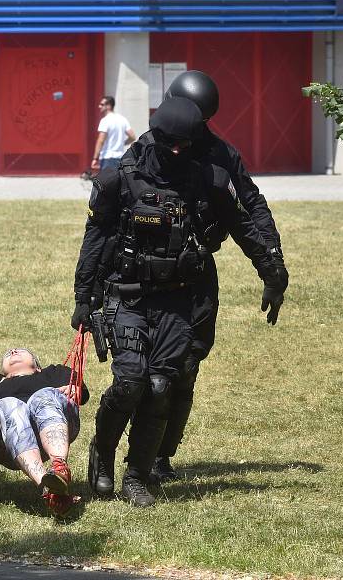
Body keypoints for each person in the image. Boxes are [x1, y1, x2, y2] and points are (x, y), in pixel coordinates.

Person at [71, 97, 284, 507]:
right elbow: (95, 239)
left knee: (159, 385)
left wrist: (273, 273)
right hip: (127, 294)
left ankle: (137, 475)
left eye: (183, 146)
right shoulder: (119, 178)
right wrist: (84, 297)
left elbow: (244, 224)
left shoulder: (206, 178)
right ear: (156, 137)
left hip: (178, 299)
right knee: (130, 381)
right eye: (169, 144)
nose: (175, 153)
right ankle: (102, 455)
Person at [149, 70, 288, 482]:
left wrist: (274, 265)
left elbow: (251, 208)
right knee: (148, 372)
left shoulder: (221, 155)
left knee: (186, 366)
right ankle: (133, 455)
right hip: (149, 271)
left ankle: (161, 456)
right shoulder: (147, 148)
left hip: (197, 271)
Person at [0, 348, 88, 516]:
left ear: (37, 366)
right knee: (10, 406)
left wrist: (75, 389)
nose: (13, 351)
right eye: (8, 353)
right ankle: (49, 486)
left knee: (43, 396)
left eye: (20, 351)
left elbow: (81, 391)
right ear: (2, 371)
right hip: (6, 441)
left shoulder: (53, 373)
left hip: (54, 421)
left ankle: (58, 467)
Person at [91, 96, 136, 172]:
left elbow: (101, 140)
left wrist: (95, 158)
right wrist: (122, 143)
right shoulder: (122, 119)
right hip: (120, 158)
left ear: (108, 106)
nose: (99, 106)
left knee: (106, 183)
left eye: (102, 104)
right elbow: (132, 136)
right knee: (118, 182)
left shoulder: (105, 120)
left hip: (107, 158)